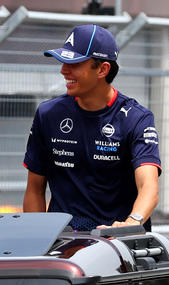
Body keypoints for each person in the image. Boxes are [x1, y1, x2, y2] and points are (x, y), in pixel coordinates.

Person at [23, 24, 160, 231]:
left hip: (117, 244)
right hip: (63, 243)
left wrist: (130, 224)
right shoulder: (48, 114)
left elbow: (148, 186)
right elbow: (34, 189)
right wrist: (35, 239)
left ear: (103, 70)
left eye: (74, 63)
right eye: (62, 62)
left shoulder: (136, 118)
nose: (63, 70)